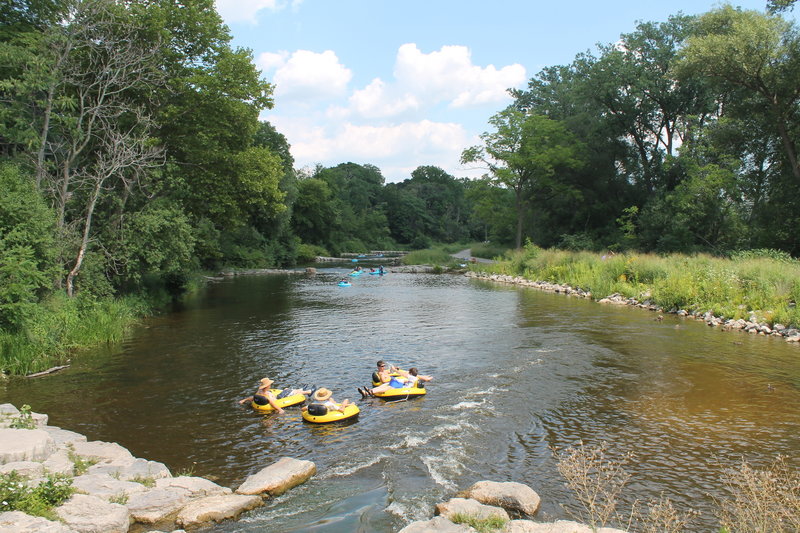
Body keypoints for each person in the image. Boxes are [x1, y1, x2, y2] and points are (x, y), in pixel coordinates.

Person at [239, 378, 311, 414]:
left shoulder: (259, 392)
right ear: (267, 386)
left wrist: (244, 400)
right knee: (290, 391)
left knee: (287, 390)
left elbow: (253, 397)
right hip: (279, 399)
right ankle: (308, 392)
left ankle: (301, 389)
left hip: (277, 397)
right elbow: (273, 403)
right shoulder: (267, 395)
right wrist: (280, 410)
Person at [359, 367, 432, 397]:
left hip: (402, 388)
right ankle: (368, 392)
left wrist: (395, 369)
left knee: (388, 387)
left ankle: (371, 391)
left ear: (410, 372)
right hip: (402, 386)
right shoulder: (414, 378)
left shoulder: (411, 377)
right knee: (387, 385)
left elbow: (402, 374)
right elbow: (407, 380)